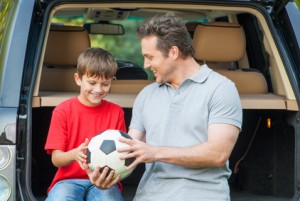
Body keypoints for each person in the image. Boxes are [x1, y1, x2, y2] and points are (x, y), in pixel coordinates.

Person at [84, 13, 243, 201]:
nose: (145, 64)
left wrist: (155, 152)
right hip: (150, 195)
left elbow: (217, 154)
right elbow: (129, 150)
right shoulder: (146, 94)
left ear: (173, 52)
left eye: (150, 57)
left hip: (202, 194)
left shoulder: (221, 89)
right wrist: (105, 173)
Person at [44, 47, 126, 201]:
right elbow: (56, 159)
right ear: (78, 79)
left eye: (105, 84)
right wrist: (74, 154)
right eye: (92, 82)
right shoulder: (62, 111)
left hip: (104, 182)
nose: (98, 89)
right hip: (67, 181)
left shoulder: (116, 112)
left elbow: (122, 155)